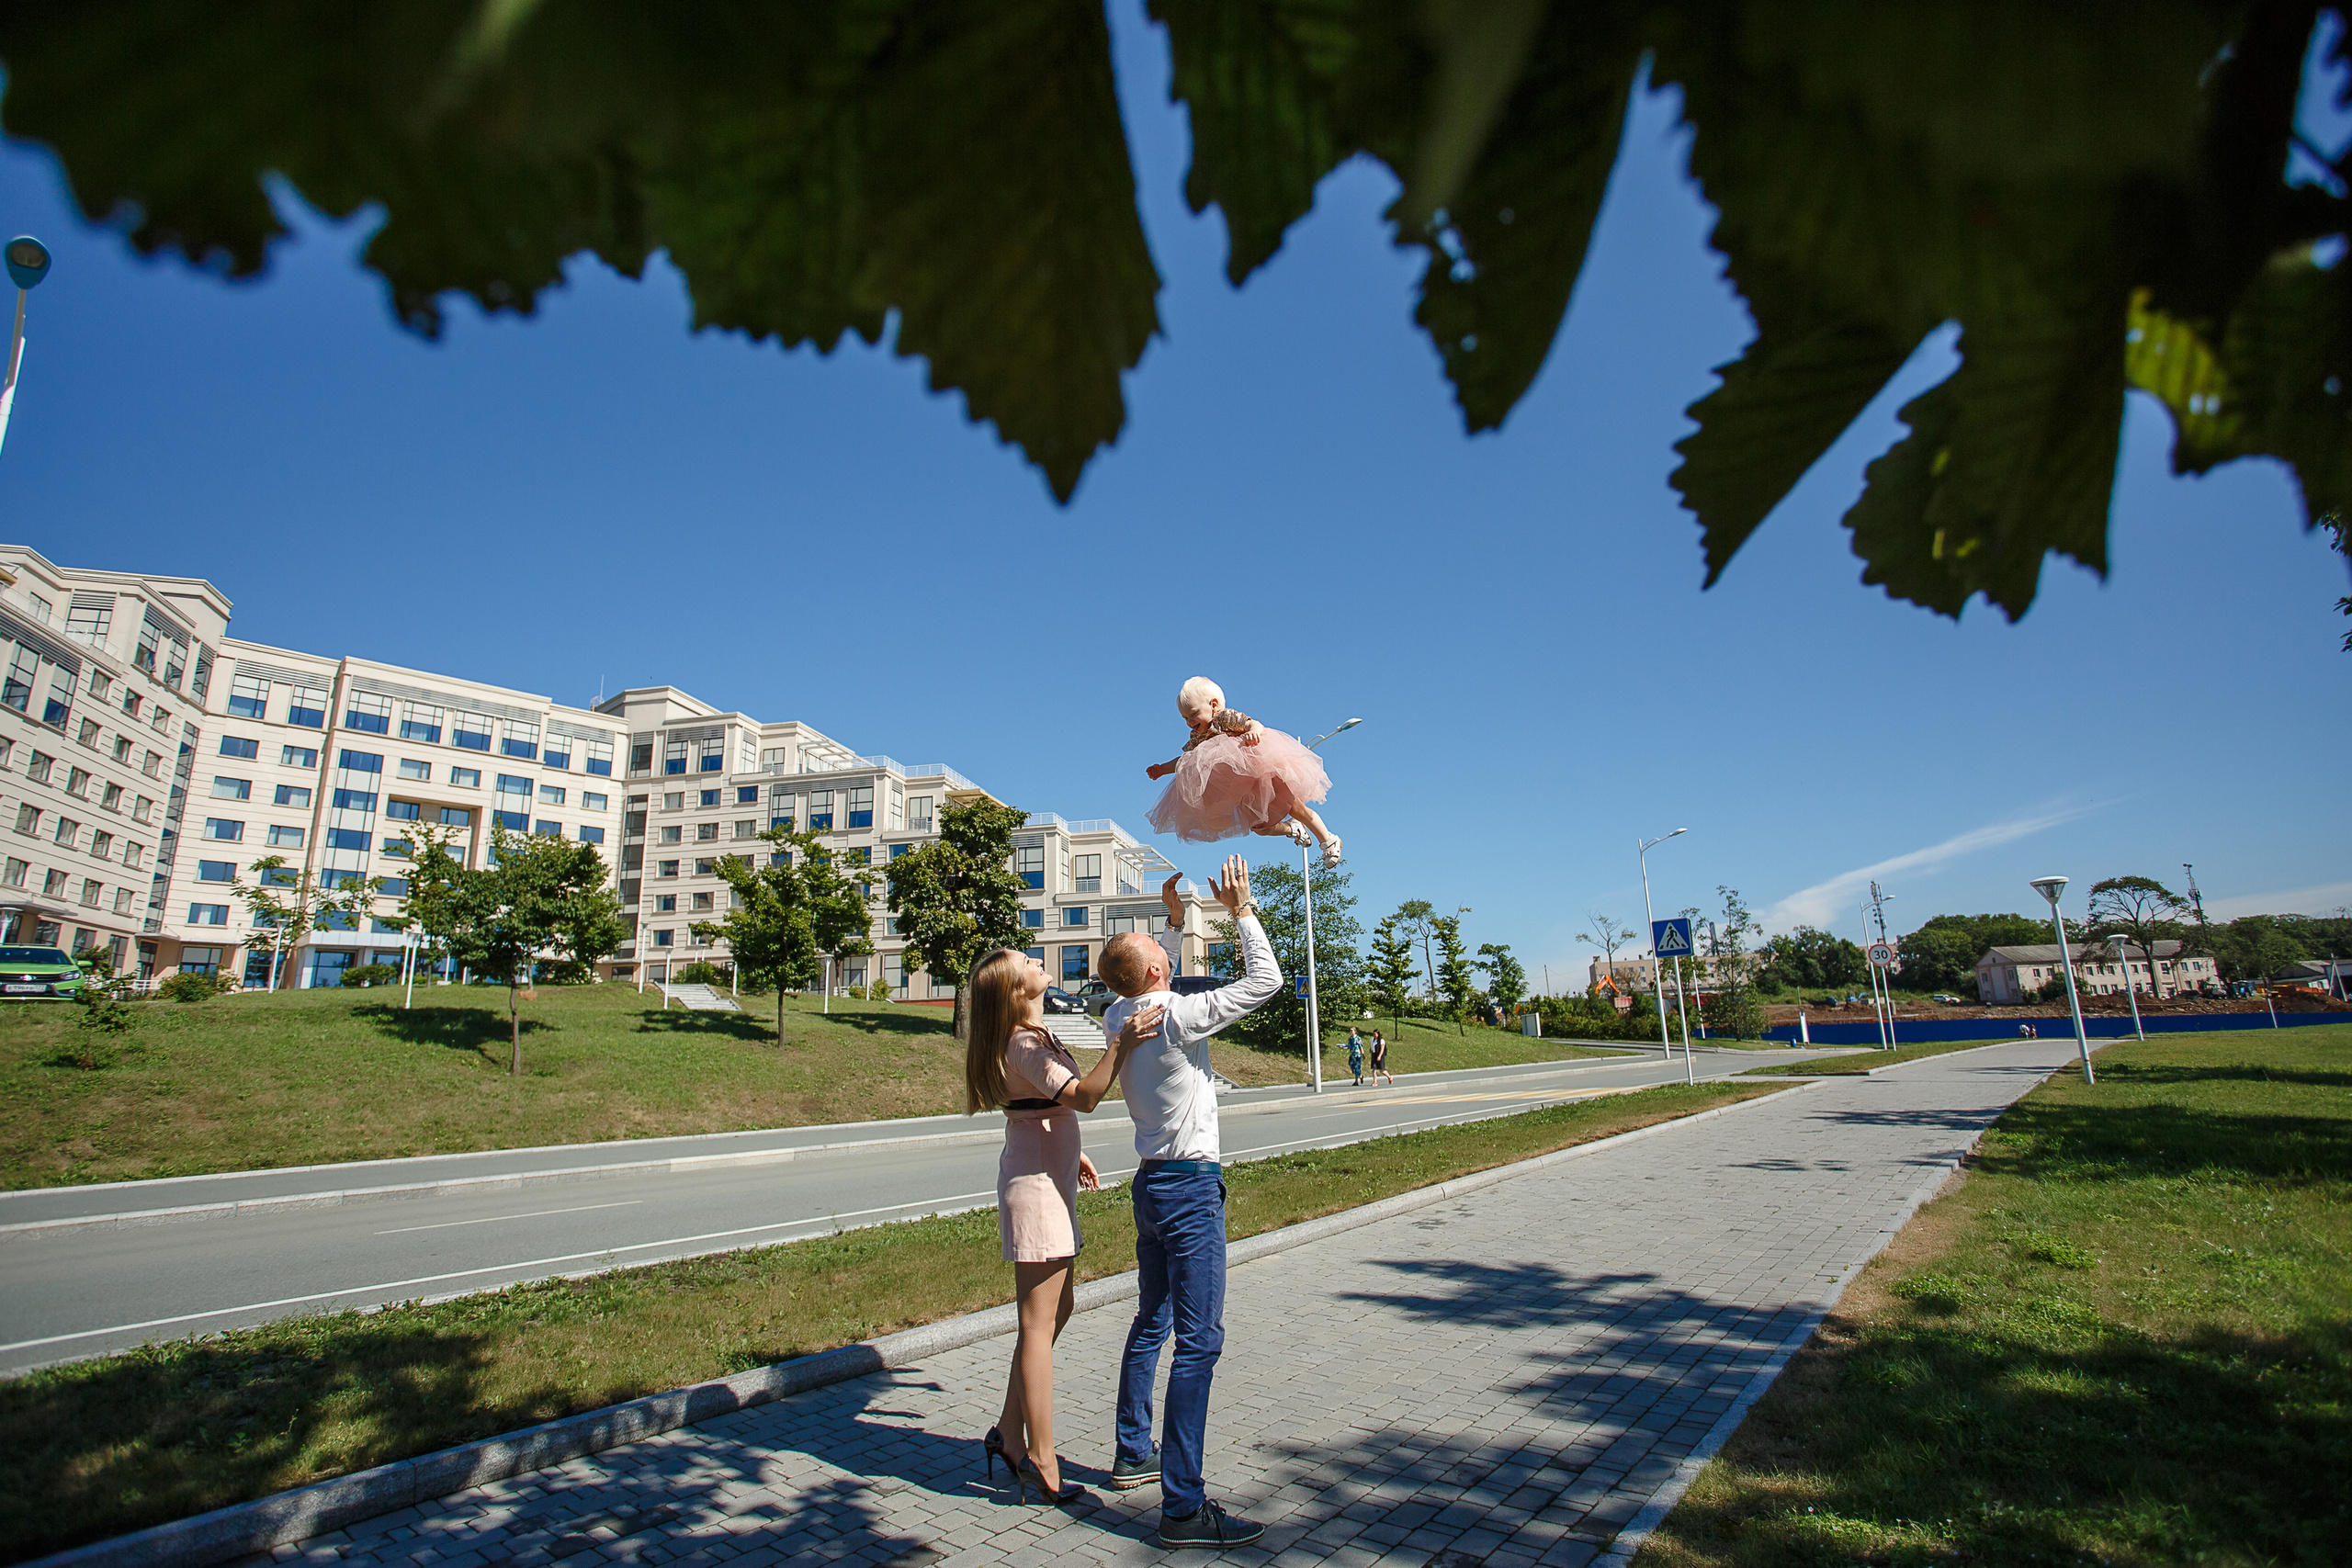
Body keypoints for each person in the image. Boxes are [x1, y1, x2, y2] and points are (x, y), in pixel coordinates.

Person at [1099, 852, 1283, 1550]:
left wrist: (1175, 926)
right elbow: (1264, 980)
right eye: (1159, 949)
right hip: (1188, 1189)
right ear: (1154, 973)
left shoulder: (1121, 1012)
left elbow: (1145, 977)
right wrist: (1239, 910)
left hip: (1149, 1185)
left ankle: (1130, 1450)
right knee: (1198, 1341)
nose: (1166, 955)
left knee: (1153, 1317)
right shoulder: (1174, 1017)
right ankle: (1182, 1507)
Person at [965, 947, 1161, 1506]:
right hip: (1034, 1193)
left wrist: (1070, 1153)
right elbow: (1087, 1097)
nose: (1033, 958)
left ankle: (1007, 1431)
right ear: (1013, 988)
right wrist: (1121, 1044)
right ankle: (1039, 1458)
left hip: (1050, 1178)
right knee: (1036, 1323)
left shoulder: (1035, 1033)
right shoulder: (1024, 1043)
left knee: (1056, 1311)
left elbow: (1044, 1107)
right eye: (1023, 959)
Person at [1144, 676, 1342, 867]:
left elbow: (1252, 723)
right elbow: (1185, 761)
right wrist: (1162, 769)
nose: (1189, 722)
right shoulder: (1197, 737)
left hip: (1263, 775)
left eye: (1193, 714)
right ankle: (1291, 828)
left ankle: (1328, 839)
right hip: (1244, 793)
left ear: (1213, 705)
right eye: (1185, 718)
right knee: (1259, 828)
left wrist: (1254, 730)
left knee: (1295, 808)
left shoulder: (1224, 718)